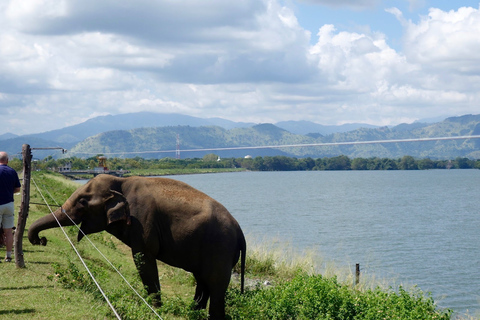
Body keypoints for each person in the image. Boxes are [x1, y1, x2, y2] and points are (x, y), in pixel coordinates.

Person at [0, 152, 21, 262]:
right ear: (7, 160)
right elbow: (18, 189)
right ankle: (8, 255)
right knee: (8, 231)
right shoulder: (12, 171)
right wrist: (9, 192)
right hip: (9, 204)